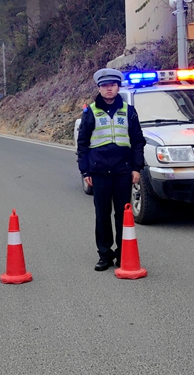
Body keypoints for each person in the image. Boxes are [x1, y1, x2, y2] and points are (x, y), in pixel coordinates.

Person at [76, 68, 146, 271]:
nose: (109, 89)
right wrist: (86, 171)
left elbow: (137, 142)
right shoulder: (90, 112)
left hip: (123, 171)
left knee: (122, 215)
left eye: (113, 85)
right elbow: (82, 144)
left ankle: (123, 254)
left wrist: (136, 168)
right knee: (102, 215)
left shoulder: (129, 111)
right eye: (105, 86)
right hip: (99, 172)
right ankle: (104, 255)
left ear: (118, 87)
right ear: (99, 88)